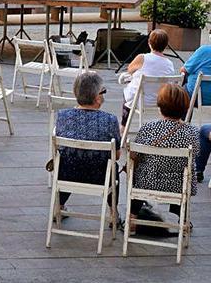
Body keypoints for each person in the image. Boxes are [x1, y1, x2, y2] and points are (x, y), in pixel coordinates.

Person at [130, 84, 199, 228]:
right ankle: (183, 218)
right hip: (179, 186)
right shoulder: (192, 132)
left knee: (138, 169)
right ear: (185, 108)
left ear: (160, 106)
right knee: (188, 167)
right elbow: (195, 155)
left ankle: (132, 217)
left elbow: (135, 155)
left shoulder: (148, 128)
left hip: (147, 183)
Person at [54, 72, 121, 213]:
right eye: (103, 92)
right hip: (99, 176)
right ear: (97, 98)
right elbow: (117, 155)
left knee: (66, 161)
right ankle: (113, 211)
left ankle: (58, 207)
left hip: (67, 175)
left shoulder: (63, 116)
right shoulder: (110, 120)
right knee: (113, 167)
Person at [121, 29, 176, 126]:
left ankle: (123, 127)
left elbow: (130, 70)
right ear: (166, 45)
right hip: (161, 101)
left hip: (139, 99)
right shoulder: (169, 64)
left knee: (128, 92)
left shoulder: (142, 58)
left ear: (149, 43)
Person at [181, 32, 211, 111]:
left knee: (180, 94)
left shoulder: (204, 50)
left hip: (197, 95)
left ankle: (182, 122)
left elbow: (184, 70)